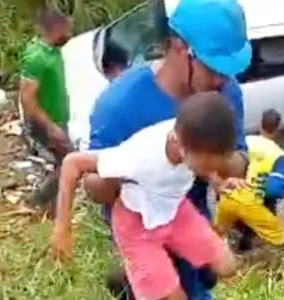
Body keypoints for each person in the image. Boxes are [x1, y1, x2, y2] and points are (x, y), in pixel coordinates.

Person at [84, 0, 251, 299]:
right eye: (213, 68)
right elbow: (94, 189)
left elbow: (239, 159)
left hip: (189, 215)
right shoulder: (119, 107)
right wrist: (131, 168)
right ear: (179, 46)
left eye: (228, 71)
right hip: (141, 225)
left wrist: (214, 160)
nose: (221, 80)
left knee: (211, 275)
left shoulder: (225, 93)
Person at [52, 92, 239, 300]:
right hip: (136, 224)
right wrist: (63, 229)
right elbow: (72, 163)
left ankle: (141, 275)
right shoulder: (139, 155)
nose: (209, 169)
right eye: (206, 165)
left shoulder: (193, 136)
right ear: (181, 147)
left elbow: (203, 164)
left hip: (174, 210)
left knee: (227, 267)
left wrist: (217, 180)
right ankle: (132, 278)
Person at [215, 109, 284, 251]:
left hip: (227, 198)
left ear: (260, 125)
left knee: (215, 238)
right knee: (279, 236)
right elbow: (277, 193)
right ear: (278, 129)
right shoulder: (279, 155)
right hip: (250, 205)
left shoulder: (244, 141)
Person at [19, 8, 74, 215]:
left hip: (57, 120)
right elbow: (27, 99)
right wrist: (50, 127)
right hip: (45, 124)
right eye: (69, 26)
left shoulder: (52, 51)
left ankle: (50, 208)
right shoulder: (37, 57)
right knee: (69, 164)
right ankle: (38, 202)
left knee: (65, 163)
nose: (71, 31)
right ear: (58, 27)